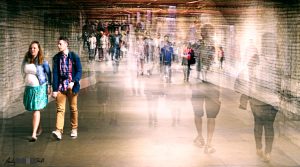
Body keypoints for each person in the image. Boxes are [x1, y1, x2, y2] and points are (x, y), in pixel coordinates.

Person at [52, 36, 82, 140]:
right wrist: (55, 90)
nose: (58, 46)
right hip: (61, 87)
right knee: (60, 109)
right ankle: (58, 131)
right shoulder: (56, 58)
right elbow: (55, 74)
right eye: (58, 44)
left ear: (66, 44)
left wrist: (74, 81)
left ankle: (74, 128)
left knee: (73, 108)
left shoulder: (74, 56)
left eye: (60, 44)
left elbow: (79, 71)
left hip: (71, 87)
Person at [21, 41, 51, 142]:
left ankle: (34, 134)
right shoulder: (27, 59)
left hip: (39, 88)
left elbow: (49, 74)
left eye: (34, 48)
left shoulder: (43, 61)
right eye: (31, 48)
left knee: (36, 109)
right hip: (29, 88)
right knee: (34, 108)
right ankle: (39, 127)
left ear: (38, 49)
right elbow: (24, 71)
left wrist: (49, 86)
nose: (32, 50)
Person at [191, 82, 221, 154]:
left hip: (198, 84)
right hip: (212, 85)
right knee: (211, 116)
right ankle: (208, 143)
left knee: (198, 112)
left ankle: (200, 136)